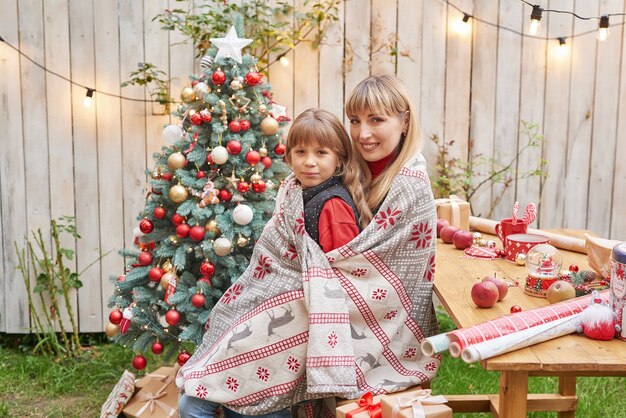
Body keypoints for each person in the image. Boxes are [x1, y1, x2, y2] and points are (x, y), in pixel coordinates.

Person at [178, 75, 439, 417]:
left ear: (404, 121)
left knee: (228, 378)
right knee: (234, 350)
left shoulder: (409, 186)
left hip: (365, 318)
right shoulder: (343, 173)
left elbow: (372, 270)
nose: (363, 133)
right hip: (308, 297)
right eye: (356, 121)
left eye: (377, 120)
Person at [178, 108, 371, 418]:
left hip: (302, 317)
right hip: (273, 303)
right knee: (210, 396)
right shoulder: (296, 190)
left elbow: (341, 274)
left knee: (206, 403)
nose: (309, 161)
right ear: (289, 155)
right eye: (301, 152)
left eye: (321, 152)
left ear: (339, 158)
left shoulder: (332, 205)